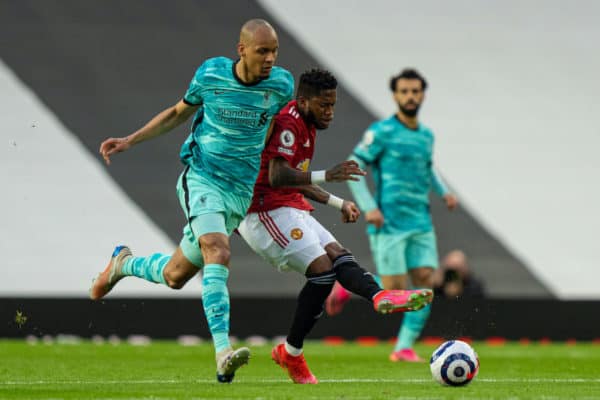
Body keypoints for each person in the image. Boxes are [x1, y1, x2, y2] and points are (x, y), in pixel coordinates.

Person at [89, 19, 294, 383]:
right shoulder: (212, 75)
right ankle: (223, 353)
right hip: (202, 178)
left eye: (274, 51)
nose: (270, 59)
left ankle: (123, 263)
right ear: (241, 49)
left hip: (239, 191)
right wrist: (130, 140)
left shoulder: (281, 85)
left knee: (175, 275)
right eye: (263, 51)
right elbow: (176, 113)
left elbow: (278, 132)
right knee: (218, 250)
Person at [237, 69, 434, 384]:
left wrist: (337, 203)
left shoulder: (307, 122)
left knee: (340, 256)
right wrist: (327, 175)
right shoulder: (289, 124)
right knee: (323, 271)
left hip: (289, 205)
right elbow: (277, 175)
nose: (329, 112)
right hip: (263, 211)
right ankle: (292, 353)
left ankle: (380, 296)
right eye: (323, 106)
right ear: (303, 101)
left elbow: (297, 178)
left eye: (332, 105)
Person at [327, 68, 458, 362]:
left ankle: (403, 348)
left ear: (422, 94)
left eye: (415, 91)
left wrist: (444, 191)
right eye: (404, 91)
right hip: (389, 223)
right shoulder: (382, 132)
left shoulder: (426, 135)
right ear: (396, 95)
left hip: (420, 222)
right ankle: (350, 286)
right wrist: (369, 206)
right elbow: (353, 164)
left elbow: (427, 168)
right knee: (396, 291)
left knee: (425, 285)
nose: (410, 96)